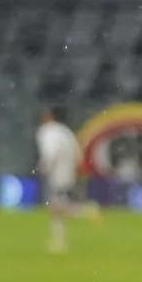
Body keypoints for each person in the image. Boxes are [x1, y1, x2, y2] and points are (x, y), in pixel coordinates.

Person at [36, 107, 98, 253]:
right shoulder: (65, 131)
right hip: (68, 172)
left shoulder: (47, 131)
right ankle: (59, 241)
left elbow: (51, 151)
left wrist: (45, 166)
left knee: (56, 207)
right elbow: (77, 151)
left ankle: (86, 212)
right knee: (57, 206)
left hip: (57, 173)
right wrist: (76, 169)